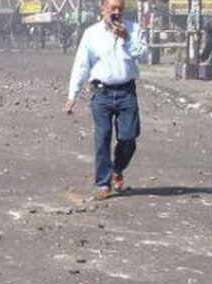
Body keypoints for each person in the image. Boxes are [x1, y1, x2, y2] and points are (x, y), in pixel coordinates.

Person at [64, 0, 146, 200]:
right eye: (112, 9)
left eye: (120, 9)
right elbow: (82, 65)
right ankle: (103, 182)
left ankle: (118, 168)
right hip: (101, 93)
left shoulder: (134, 29)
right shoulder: (91, 34)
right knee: (102, 138)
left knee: (128, 138)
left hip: (126, 92)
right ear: (103, 9)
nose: (116, 13)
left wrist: (127, 39)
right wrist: (72, 95)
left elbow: (144, 55)